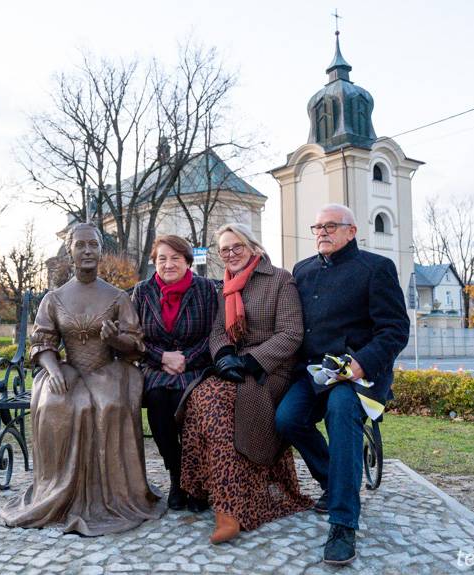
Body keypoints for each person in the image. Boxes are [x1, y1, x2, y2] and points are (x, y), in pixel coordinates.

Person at [0, 222, 166, 536]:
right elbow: (42, 342)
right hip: (68, 369)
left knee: (109, 405)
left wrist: (116, 341)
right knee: (54, 403)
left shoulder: (117, 297)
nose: (87, 250)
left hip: (109, 369)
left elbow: (136, 345)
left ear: (101, 251)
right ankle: (57, 490)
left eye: (93, 245)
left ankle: (112, 493)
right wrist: (52, 368)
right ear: (70, 251)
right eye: (81, 245)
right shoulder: (54, 298)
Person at [275, 204, 410, 565]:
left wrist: (361, 362)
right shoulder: (301, 271)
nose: (322, 232)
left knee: (341, 410)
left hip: (358, 375)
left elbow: (395, 330)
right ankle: (334, 484)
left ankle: (343, 522)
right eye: (317, 226)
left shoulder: (376, 268)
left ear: (352, 231)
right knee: (287, 419)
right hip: (314, 373)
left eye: (331, 226)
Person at [178, 222, 313, 545]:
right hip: (234, 369)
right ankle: (204, 488)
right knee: (201, 397)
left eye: (237, 246)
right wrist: (224, 356)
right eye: (225, 250)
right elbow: (218, 332)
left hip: (270, 370)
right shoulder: (226, 286)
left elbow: (291, 334)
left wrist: (250, 362)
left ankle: (230, 511)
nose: (231, 254)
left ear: (253, 247)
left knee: (220, 406)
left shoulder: (280, 280)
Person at [131, 235, 219, 511]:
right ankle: (177, 476)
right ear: (154, 262)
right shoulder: (142, 292)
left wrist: (186, 358)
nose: (168, 265)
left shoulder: (206, 289)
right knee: (157, 400)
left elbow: (214, 334)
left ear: (188, 262)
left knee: (185, 399)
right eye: (162, 259)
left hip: (196, 365)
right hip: (156, 367)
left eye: (175, 259)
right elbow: (134, 338)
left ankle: (197, 482)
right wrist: (162, 357)